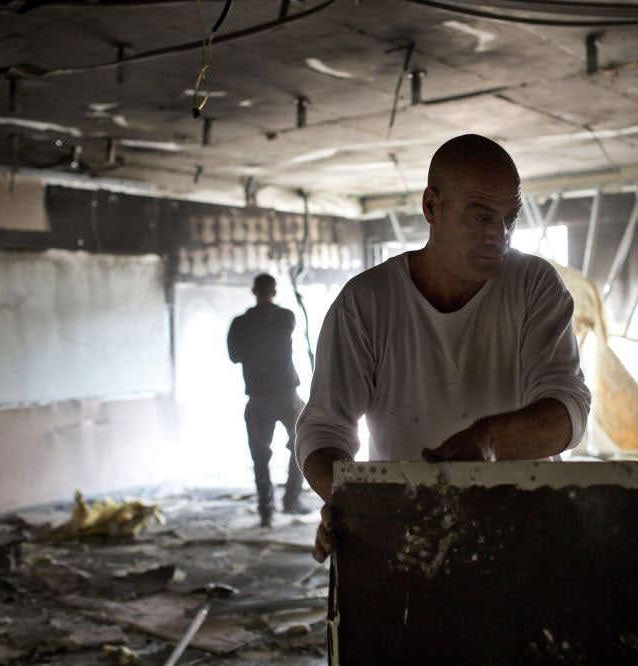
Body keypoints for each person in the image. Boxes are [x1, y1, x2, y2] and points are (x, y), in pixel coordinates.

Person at [295, 134, 591, 562]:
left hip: (524, 532)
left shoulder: (533, 285)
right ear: (431, 207)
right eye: (481, 216)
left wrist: (486, 442)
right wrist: (356, 502)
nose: (499, 235)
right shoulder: (367, 302)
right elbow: (324, 430)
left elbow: (569, 411)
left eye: (510, 218)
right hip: (410, 538)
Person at [228, 273, 309, 527]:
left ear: (253, 291)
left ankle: (266, 511)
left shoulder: (240, 323)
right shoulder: (286, 317)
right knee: (301, 445)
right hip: (287, 395)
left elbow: (234, 356)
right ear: (274, 291)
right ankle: (291, 500)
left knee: (260, 454)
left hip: (258, 397)